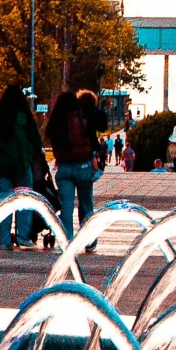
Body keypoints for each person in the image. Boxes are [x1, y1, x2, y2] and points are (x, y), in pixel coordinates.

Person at [0, 84, 45, 250]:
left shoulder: (0, 117)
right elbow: (35, 139)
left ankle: (4, 240)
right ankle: (22, 236)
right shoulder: (24, 117)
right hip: (22, 164)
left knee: (4, 203)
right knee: (25, 200)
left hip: (4, 166)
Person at [48, 88, 101, 242]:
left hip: (63, 168)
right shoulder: (83, 120)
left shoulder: (56, 123)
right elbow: (91, 142)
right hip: (82, 167)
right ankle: (89, 240)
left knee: (66, 207)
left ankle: (67, 240)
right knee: (86, 204)